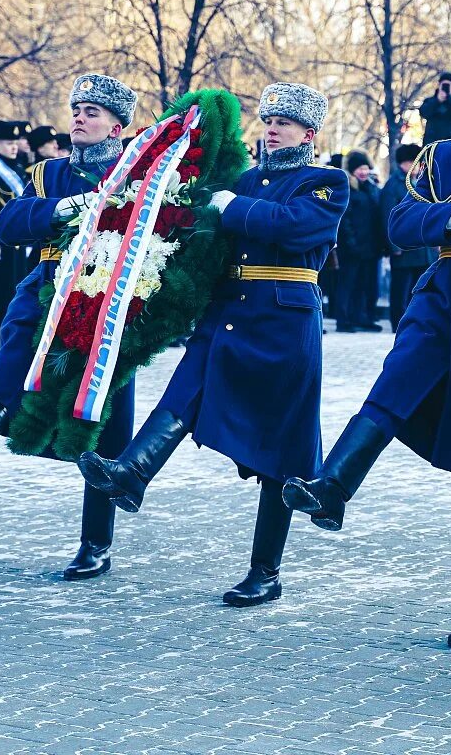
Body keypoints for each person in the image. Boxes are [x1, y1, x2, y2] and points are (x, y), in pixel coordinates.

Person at [282, 41, 451, 648]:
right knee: (394, 383)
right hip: (443, 294)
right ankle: (333, 486)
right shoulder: (443, 155)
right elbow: (400, 223)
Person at [76, 82, 349, 606]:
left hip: (285, 320)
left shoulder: (325, 181)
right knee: (186, 387)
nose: (271, 130)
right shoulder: (247, 179)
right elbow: (209, 238)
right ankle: (133, 471)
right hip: (230, 309)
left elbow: (293, 227)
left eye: (284, 123)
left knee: (283, 444)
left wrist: (231, 207)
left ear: (308, 134)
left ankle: (265, 571)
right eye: (267, 120)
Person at [0, 74, 139, 582]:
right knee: (12, 366)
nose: (80, 118)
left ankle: (95, 543)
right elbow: (10, 221)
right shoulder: (47, 173)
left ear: (118, 126)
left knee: (101, 415)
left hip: (109, 299)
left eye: (93, 112)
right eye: (77, 109)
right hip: (45, 288)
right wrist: (61, 209)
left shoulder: (140, 178)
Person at [0, 120, 31, 355]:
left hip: (18, 238)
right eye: (8, 143)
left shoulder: (19, 169)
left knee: (15, 291)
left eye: (15, 142)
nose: (13, 147)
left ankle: (9, 341)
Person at [381, 143, 435, 332]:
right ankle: (397, 323)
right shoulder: (393, 185)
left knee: (417, 289)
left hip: (421, 249)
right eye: (412, 162)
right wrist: (393, 246)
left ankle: (413, 323)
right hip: (403, 249)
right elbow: (387, 216)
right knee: (400, 290)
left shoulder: (420, 183)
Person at [334, 150, 384, 333]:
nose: (363, 172)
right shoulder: (347, 188)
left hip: (370, 247)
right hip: (352, 248)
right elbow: (345, 220)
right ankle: (343, 320)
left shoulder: (370, 188)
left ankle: (361, 317)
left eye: (365, 168)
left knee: (365, 285)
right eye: (360, 169)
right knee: (347, 284)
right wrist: (351, 243)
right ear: (353, 170)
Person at [419, 71, 451, 146]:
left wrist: (450, 99)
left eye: (449, 85)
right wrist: (437, 100)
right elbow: (423, 113)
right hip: (431, 142)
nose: (446, 87)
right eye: (443, 85)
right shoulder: (429, 101)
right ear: (439, 86)